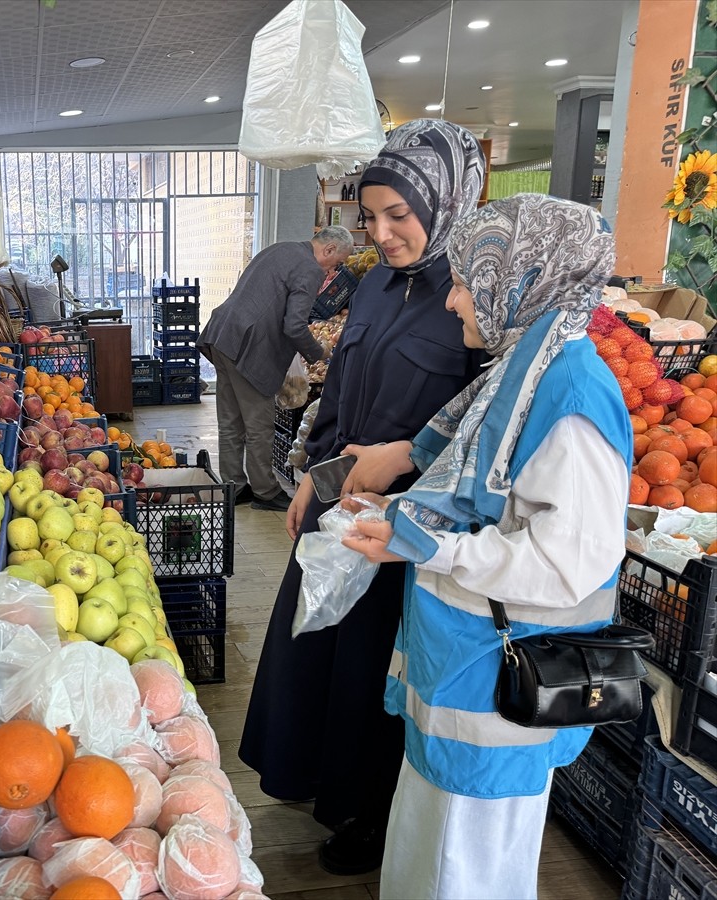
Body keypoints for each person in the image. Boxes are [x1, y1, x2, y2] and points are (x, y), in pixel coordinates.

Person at [342, 194, 630, 899]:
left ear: (526, 278)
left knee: (463, 873)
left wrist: (429, 549)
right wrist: (400, 512)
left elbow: (568, 565)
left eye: (470, 280)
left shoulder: (571, 397)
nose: (453, 302)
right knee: (431, 858)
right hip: (465, 681)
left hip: (500, 694)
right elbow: (480, 504)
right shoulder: (521, 374)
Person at [237, 119, 488, 876]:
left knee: (370, 668)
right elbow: (337, 388)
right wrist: (313, 474)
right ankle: (315, 778)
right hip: (343, 499)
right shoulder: (378, 282)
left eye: (398, 217)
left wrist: (405, 460)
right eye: (369, 218)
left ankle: (364, 813)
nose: (382, 233)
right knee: (313, 645)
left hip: (413, 520)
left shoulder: (475, 293)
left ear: (448, 201)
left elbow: (484, 422)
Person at [198, 226, 353, 510]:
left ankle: (234, 486)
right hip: (249, 349)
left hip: (223, 336)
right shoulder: (310, 269)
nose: (334, 271)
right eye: (338, 263)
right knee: (259, 426)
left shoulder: (282, 247)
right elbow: (294, 325)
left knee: (231, 422)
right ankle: (265, 492)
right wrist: (320, 352)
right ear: (329, 250)